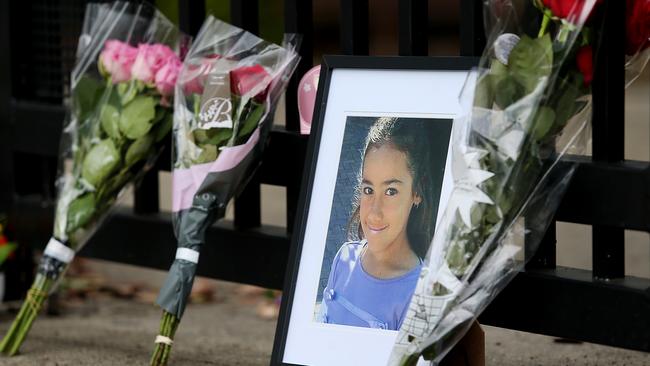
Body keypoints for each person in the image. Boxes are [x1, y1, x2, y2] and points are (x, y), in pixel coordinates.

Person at [319, 117, 438, 331]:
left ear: (417, 192)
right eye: (368, 190)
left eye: (391, 191)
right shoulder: (344, 258)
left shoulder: (417, 295)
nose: (374, 212)